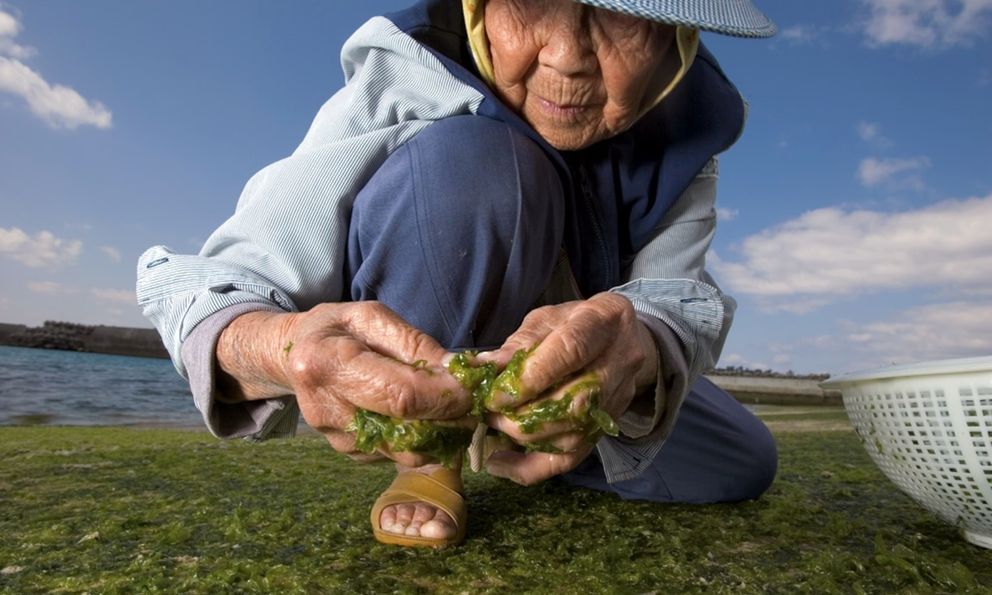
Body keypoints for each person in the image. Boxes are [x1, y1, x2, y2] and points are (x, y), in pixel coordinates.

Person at [137, 0, 779, 548]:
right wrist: (278, 349)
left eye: (619, 18)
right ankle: (432, 454)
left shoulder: (687, 131)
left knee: (741, 462)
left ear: (676, 41)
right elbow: (216, 285)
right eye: (529, 2)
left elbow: (674, 295)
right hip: (428, 340)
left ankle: (530, 437)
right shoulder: (400, 78)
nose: (565, 58)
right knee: (475, 166)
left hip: (568, 370)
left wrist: (638, 355)